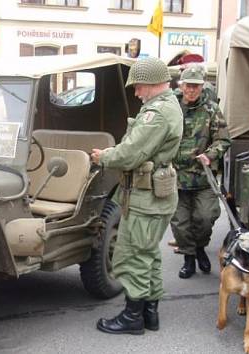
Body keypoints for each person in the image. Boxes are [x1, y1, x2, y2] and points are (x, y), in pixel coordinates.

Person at [91, 57, 183, 335]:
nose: (136, 92)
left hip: (147, 198)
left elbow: (130, 153)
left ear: (154, 84)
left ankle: (132, 318)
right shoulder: (167, 107)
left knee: (132, 257)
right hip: (152, 195)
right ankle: (149, 313)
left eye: (139, 87)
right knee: (149, 255)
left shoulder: (157, 113)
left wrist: (103, 156)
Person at [171, 67, 231, 279]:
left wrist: (210, 155)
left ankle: (199, 248)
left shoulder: (211, 109)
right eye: (188, 85)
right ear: (181, 85)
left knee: (205, 218)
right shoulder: (171, 106)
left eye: (196, 85)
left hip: (202, 177)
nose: (191, 90)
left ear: (202, 86)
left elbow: (223, 139)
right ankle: (189, 258)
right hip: (175, 177)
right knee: (180, 222)